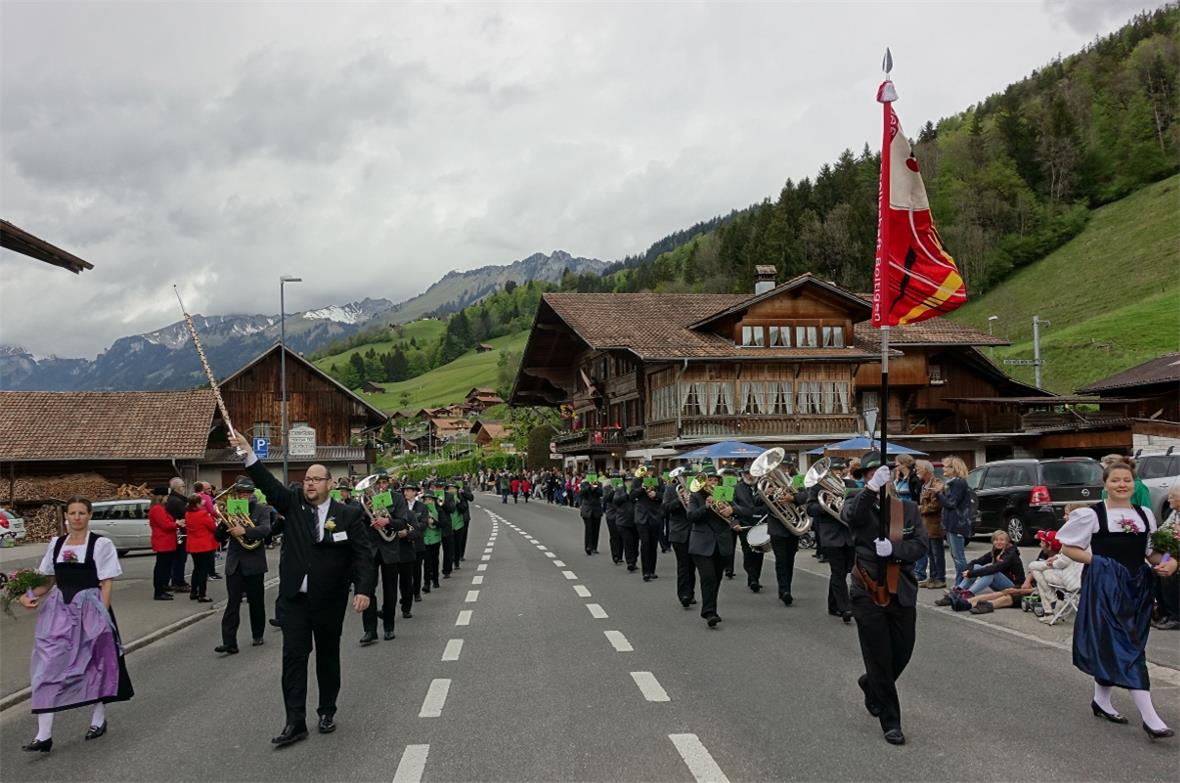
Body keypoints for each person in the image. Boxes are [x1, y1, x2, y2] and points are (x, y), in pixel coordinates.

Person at [230, 432, 375, 747]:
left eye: (316, 479)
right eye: (307, 479)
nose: (310, 484)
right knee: (293, 659)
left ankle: (326, 711)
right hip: (294, 600)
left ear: (330, 484)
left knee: (327, 657)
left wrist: (363, 589)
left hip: (329, 601)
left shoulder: (348, 515)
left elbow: (363, 555)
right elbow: (267, 484)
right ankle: (294, 722)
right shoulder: (292, 504)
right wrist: (247, 453)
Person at [1057, 458, 1177, 740]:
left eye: (1126, 480)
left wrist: (1172, 561)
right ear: (1105, 484)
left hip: (1138, 586)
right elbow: (1069, 548)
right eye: (1115, 480)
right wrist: (1100, 562)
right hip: (1106, 585)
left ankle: (1101, 700)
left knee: (1128, 641)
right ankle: (1150, 718)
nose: (1121, 485)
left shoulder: (1145, 514)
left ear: (1133, 483)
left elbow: (1152, 552)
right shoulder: (1091, 515)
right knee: (1128, 647)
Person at [20, 497, 134, 753]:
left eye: (82, 512)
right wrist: (28, 594)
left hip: (91, 608)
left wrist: (102, 620)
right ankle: (43, 735)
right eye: (72, 513)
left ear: (89, 515)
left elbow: (106, 583)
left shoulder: (101, 544)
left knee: (95, 664)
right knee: (47, 664)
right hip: (59, 610)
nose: (77, 517)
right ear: (66, 517)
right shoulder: (56, 544)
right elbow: (47, 581)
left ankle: (98, 719)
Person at [841, 452, 928, 746]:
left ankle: (871, 684)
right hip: (867, 589)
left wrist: (893, 549)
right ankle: (891, 721)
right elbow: (853, 518)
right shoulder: (855, 502)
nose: (874, 478)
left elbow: (919, 546)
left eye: (878, 474)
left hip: (901, 588)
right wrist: (868, 490)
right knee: (879, 656)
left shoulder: (908, 509)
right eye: (868, 475)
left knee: (902, 652)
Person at [214, 477, 272, 653]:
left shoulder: (261, 510)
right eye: (241, 493)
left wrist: (245, 530)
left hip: (254, 563)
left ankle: (257, 634)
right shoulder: (231, 510)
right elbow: (218, 538)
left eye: (247, 493)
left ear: (251, 494)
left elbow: (266, 530)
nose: (244, 496)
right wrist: (225, 525)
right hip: (235, 564)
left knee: (256, 602)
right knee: (232, 603)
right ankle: (229, 642)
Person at [361, 480, 416, 644]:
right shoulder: (364, 500)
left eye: (383, 483)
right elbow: (357, 521)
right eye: (376, 484)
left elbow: (402, 522)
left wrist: (387, 521)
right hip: (370, 549)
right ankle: (370, 630)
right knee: (367, 588)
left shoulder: (397, 498)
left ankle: (389, 626)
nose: (379, 487)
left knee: (390, 589)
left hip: (390, 547)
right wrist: (368, 513)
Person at [687, 469, 741, 627]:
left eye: (715, 481)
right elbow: (691, 517)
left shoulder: (724, 495)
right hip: (702, 544)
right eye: (710, 480)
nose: (713, 483)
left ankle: (711, 608)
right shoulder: (695, 496)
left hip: (721, 543)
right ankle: (710, 612)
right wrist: (705, 507)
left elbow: (743, 511)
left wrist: (733, 511)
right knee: (708, 577)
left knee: (716, 579)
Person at [809, 461, 854, 623]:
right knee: (838, 571)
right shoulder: (818, 487)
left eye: (839, 469)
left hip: (849, 535)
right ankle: (845, 608)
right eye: (833, 470)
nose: (837, 473)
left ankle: (832, 605)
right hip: (831, 535)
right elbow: (810, 508)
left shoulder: (851, 484)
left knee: (844, 571)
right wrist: (826, 505)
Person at [935, 530, 1023, 604]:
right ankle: (958, 591)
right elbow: (976, 562)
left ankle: (968, 594)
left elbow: (995, 568)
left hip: (1014, 586)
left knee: (992, 573)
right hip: (1001, 583)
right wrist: (969, 569)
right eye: (996, 540)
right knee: (977, 566)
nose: (998, 542)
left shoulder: (1011, 554)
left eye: (1002, 540)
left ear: (1007, 542)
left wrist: (971, 574)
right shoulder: (996, 551)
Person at [766, 460, 803, 606]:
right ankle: (785, 590)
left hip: (793, 525)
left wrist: (793, 498)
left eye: (786, 468)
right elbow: (756, 501)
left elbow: (806, 496)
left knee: (790, 560)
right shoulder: (768, 483)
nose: (783, 470)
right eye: (780, 468)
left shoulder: (797, 481)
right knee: (781, 560)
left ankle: (786, 588)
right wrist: (767, 494)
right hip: (777, 527)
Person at [1025, 529, 1083, 622]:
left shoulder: (1071, 544)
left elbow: (1063, 561)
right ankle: (1050, 609)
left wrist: (1052, 563)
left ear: (1050, 545)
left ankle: (1052, 604)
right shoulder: (1080, 542)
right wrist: (1056, 558)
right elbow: (1064, 557)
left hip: (1071, 582)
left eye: (1042, 542)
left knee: (1038, 570)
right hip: (1078, 579)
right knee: (1040, 573)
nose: (1040, 544)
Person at [732, 466, 767, 593]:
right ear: (742, 475)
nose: (749, 476)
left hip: (761, 523)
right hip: (744, 524)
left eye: (752, 473)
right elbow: (731, 508)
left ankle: (755, 577)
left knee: (759, 552)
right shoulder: (736, 488)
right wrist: (735, 523)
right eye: (746, 473)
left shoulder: (763, 486)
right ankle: (753, 579)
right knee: (748, 552)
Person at [938, 457, 973, 582]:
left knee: (959, 556)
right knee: (955, 555)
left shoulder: (958, 483)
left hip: (957, 523)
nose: (943, 468)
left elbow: (951, 503)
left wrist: (939, 494)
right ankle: (960, 581)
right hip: (951, 523)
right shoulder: (951, 482)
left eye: (946, 466)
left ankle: (962, 582)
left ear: (954, 468)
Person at [664, 477, 696, 608]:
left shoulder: (697, 489)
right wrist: (679, 499)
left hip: (695, 532)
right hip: (679, 532)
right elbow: (665, 507)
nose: (686, 479)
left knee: (692, 565)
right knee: (683, 565)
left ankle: (691, 592)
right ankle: (684, 594)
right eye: (684, 476)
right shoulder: (672, 489)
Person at [915, 461, 946, 588]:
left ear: (927, 470)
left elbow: (936, 505)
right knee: (930, 553)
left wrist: (920, 508)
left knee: (937, 553)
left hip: (935, 525)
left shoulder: (936, 484)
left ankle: (940, 578)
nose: (917, 471)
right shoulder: (925, 485)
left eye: (919, 469)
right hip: (926, 525)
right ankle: (932, 577)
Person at [184, 494, 218, 603]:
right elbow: (213, 527)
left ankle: (193, 592)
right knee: (203, 570)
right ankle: (202, 594)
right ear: (197, 504)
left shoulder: (188, 514)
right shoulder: (203, 514)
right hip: (204, 545)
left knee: (197, 568)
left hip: (193, 545)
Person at [630, 470, 663, 581]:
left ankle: (652, 570)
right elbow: (631, 496)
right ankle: (646, 572)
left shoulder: (658, 480)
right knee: (645, 543)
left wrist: (656, 495)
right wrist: (642, 488)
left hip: (655, 516)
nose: (648, 473)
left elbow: (664, 496)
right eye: (646, 471)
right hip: (642, 517)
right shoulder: (637, 481)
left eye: (650, 470)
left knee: (653, 545)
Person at [148, 487, 178, 600]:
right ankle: (159, 591)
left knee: (165, 566)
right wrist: (177, 524)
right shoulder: (157, 509)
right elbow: (165, 525)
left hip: (166, 541)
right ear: (161, 497)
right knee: (161, 567)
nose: (168, 498)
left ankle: (163, 588)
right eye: (166, 496)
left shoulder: (160, 508)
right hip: (163, 541)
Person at [165, 477, 190, 591]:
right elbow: (186, 515)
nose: (184, 488)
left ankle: (177, 580)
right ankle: (178, 582)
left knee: (178, 558)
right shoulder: (176, 501)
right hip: (180, 532)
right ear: (179, 488)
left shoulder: (175, 499)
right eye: (183, 486)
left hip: (178, 532)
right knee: (180, 558)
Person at [613, 476, 639, 572]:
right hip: (623, 521)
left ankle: (634, 560)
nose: (629, 483)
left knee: (635, 542)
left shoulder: (636, 490)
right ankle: (630, 562)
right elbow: (616, 501)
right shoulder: (620, 489)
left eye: (631, 481)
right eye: (628, 481)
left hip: (636, 520)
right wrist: (626, 495)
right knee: (628, 542)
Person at [421, 490, 443, 592]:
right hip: (425, 539)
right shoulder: (421, 510)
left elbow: (443, 524)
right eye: (425, 500)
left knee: (435, 560)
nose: (427, 501)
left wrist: (433, 521)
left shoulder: (438, 510)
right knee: (426, 562)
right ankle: (427, 583)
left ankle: (435, 579)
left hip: (435, 538)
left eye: (429, 499)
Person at [579, 477, 603, 555]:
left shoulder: (599, 484)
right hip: (587, 509)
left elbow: (601, 493)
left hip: (596, 509)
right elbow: (582, 493)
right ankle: (588, 547)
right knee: (588, 529)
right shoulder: (584, 484)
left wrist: (595, 487)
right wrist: (589, 486)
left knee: (596, 529)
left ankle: (594, 547)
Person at [603, 477, 623, 563]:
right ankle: (615, 555)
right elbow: (606, 499)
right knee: (614, 536)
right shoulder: (607, 488)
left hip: (621, 514)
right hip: (611, 514)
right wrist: (613, 490)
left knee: (621, 536)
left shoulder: (622, 487)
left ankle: (620, 555)